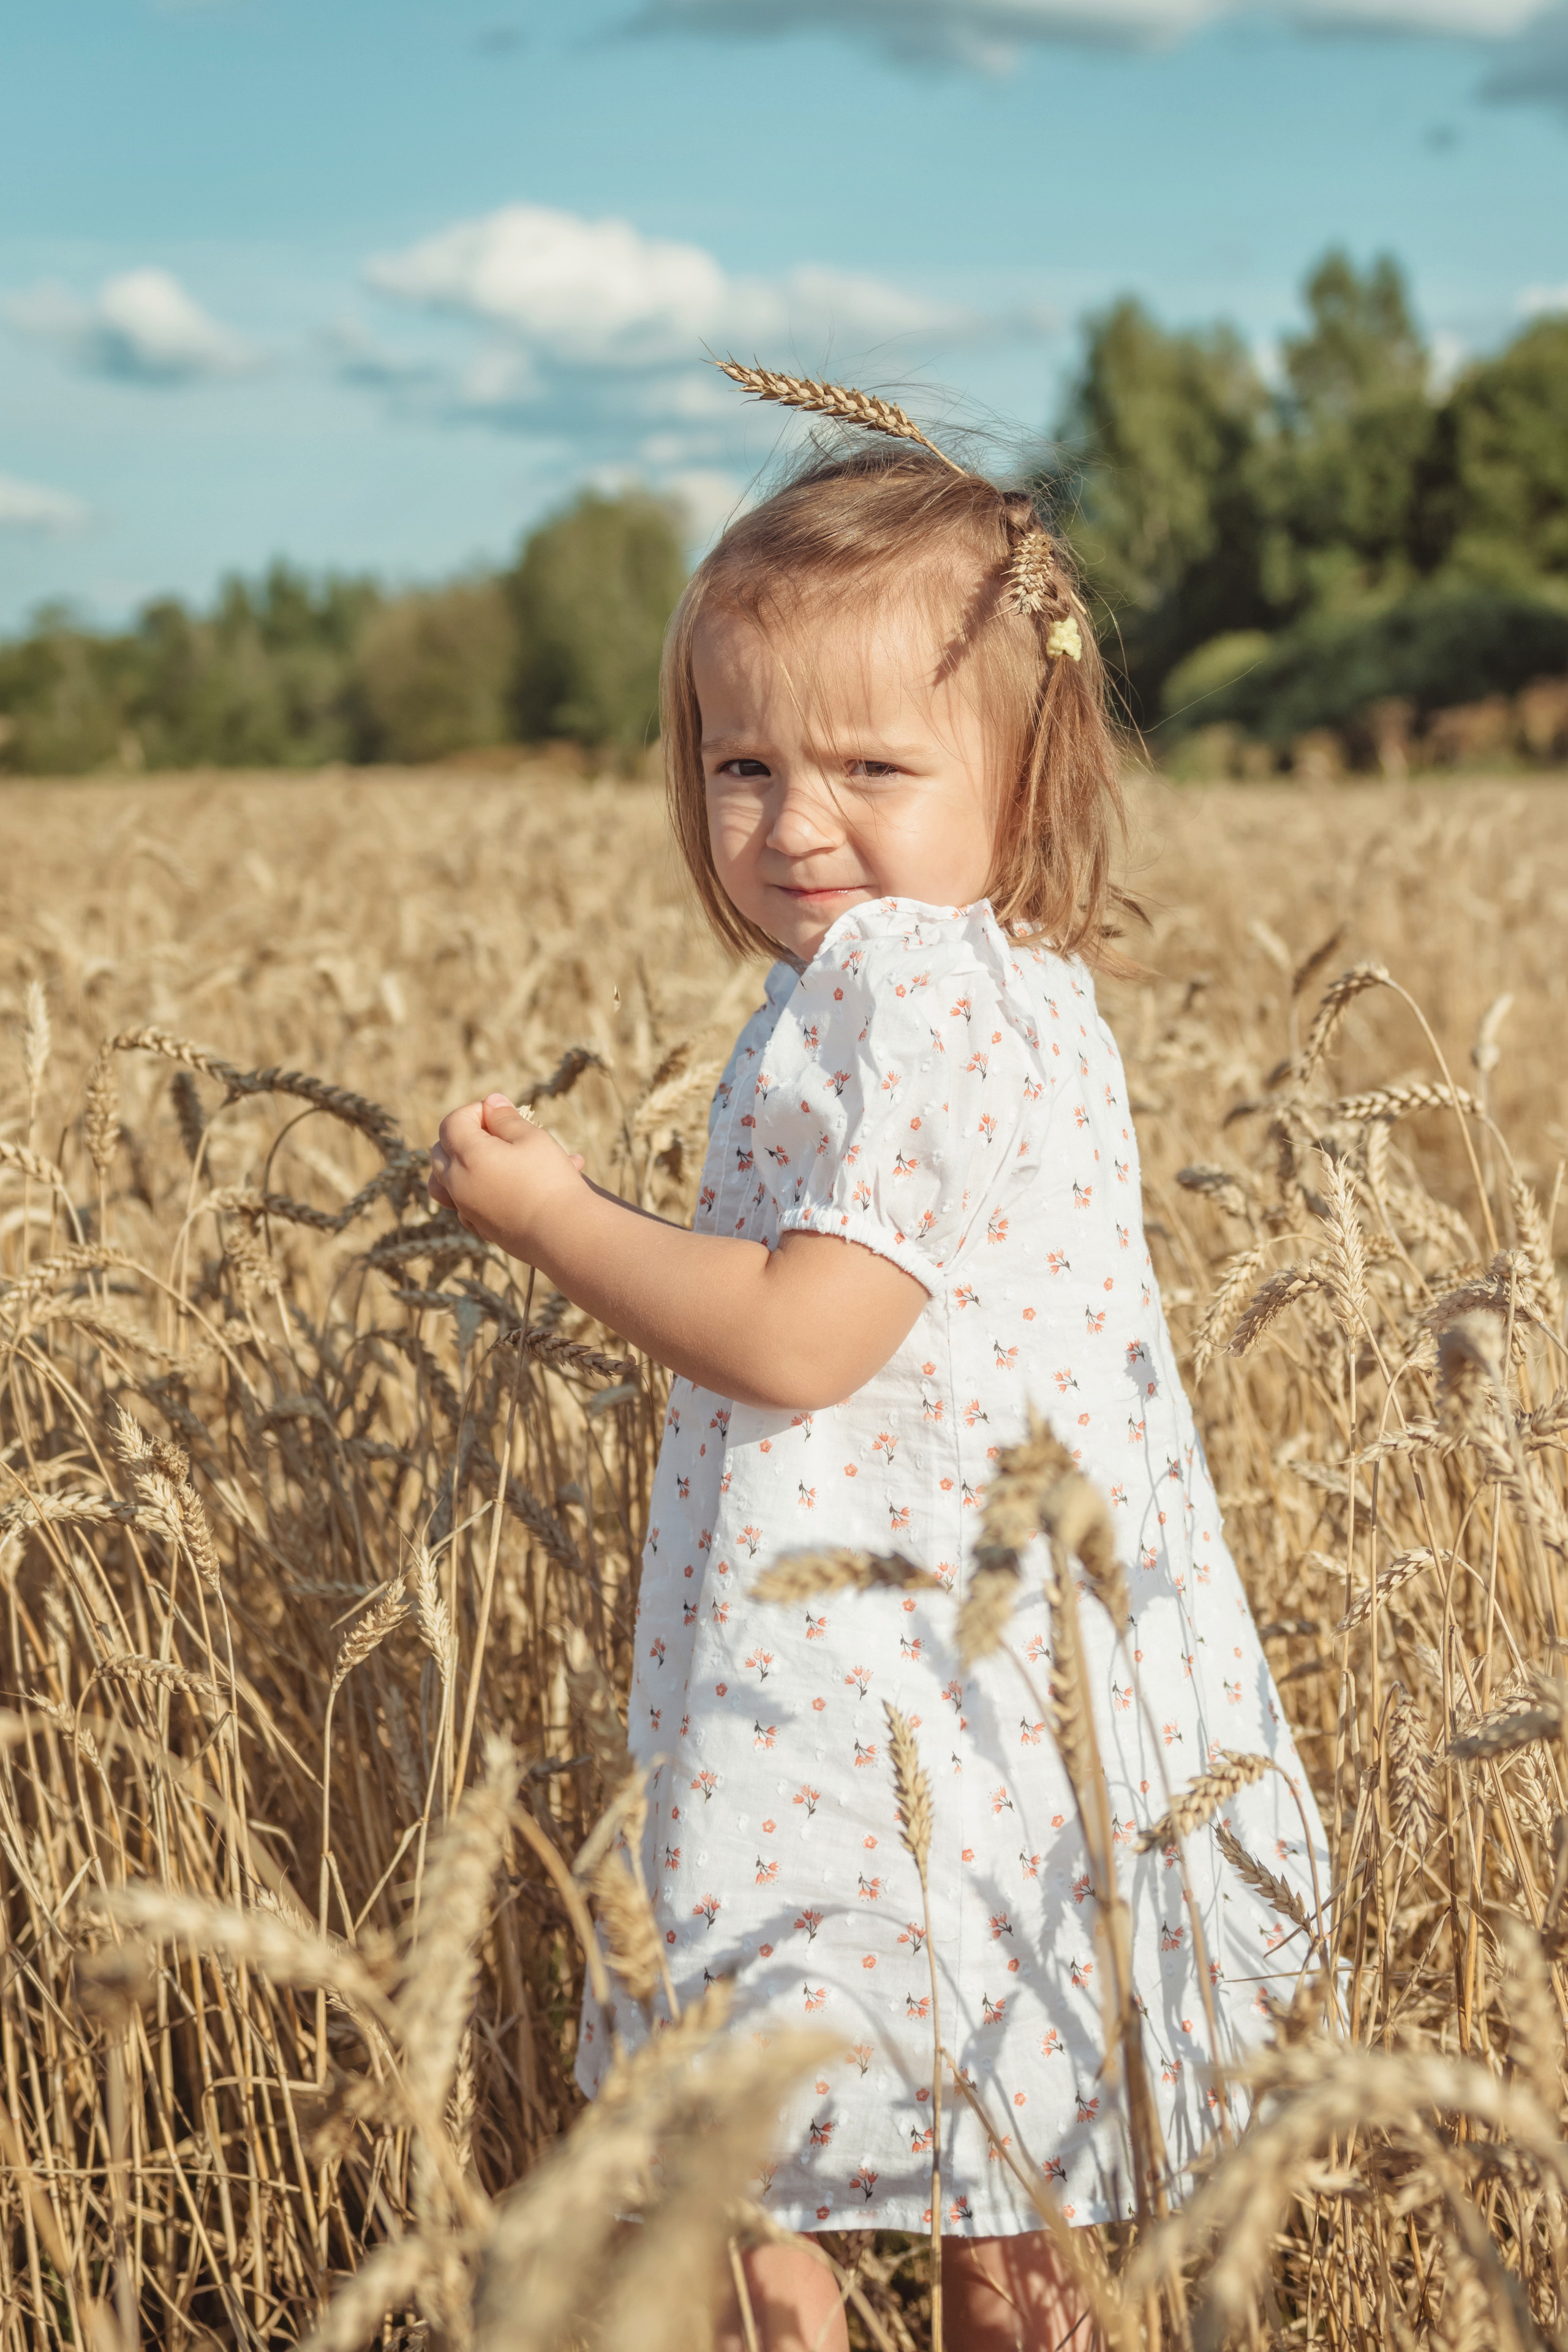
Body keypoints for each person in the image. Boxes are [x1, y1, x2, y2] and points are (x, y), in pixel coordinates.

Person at [428, 386, 1328, 2352]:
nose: (794, 819)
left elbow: (802, 1334)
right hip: (996, 1687)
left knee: (744, 2159)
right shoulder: (987, 980)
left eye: (870, 764)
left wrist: (554, 1214)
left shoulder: (910, 996)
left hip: (888, 1690)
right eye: (741, 763)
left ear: (1025, 767)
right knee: (1022, 2186)